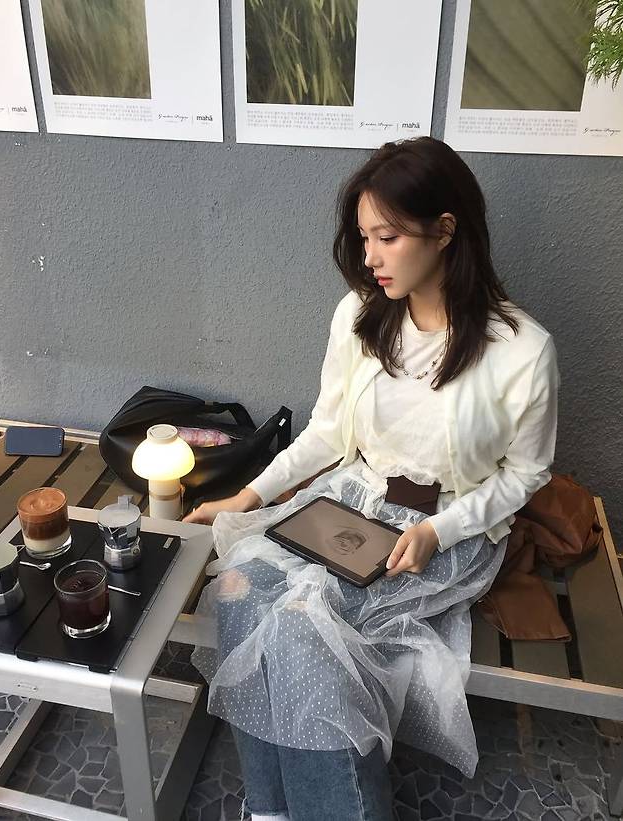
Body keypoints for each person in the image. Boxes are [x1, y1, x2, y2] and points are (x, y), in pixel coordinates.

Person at [182, 136, 560, 821]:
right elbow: (328, 432)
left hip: (445, 530)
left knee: (302, 630)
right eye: (363, 238)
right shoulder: (359, 314)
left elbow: (527, 474)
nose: (370, 258)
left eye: (387, 237)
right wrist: (248, 496)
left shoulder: (522, 351)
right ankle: (269, 808)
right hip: (349, 503)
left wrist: (439, 530)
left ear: (445, 230)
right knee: (239, 592)